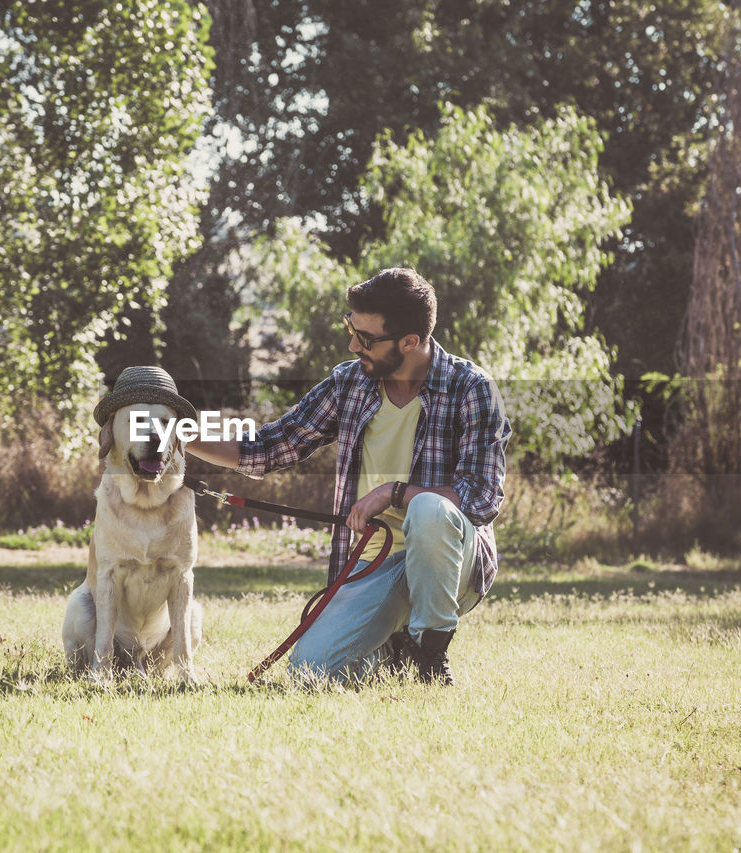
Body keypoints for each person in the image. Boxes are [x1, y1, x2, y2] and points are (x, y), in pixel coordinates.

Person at [186, 268, 510, 685]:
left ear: (410, 341)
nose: (353, 344)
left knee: (430, 508)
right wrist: (182, 437)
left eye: (366, 338)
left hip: (451, 561)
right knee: (310, 673)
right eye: (351, 329)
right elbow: (270, 445)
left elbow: (482, 498)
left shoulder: (471, 388)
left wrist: (394, 493)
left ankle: (431, 654)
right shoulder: (349, 383)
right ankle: (393, 649)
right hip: (375, 561)